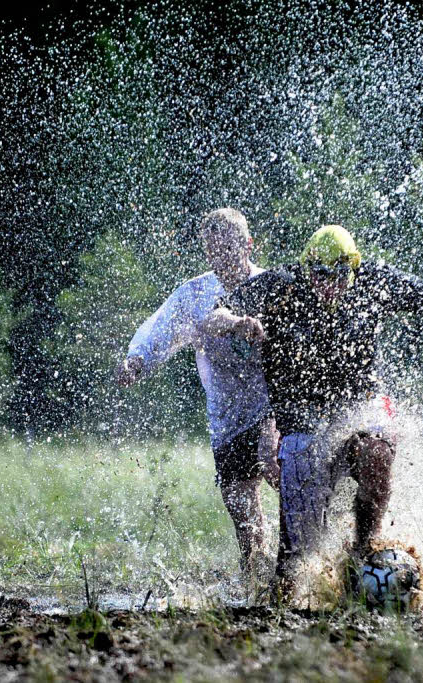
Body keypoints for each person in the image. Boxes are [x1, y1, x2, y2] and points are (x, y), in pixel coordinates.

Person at [203, 224, 423, 593]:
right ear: (306, 267)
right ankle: (291, 578)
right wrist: (238, 323)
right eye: (316, 275)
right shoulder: (280, 284)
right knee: (294, 562)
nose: (324, 284)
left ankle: (366, 547)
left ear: (352, 267)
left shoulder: (375, 281)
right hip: (302, 418)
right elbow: (212, 317)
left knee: (376, 451)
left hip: (360, 404)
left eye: (335, 275)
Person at [115, 208, 278, 578]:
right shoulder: (196, 294)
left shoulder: (270, 285)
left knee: (276, 465)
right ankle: (258, 576)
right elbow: (159, 329)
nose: (221, 259)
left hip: (271, 405)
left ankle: (305, 552)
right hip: (226, 417)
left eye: (229, 249)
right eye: (213, 251)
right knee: (244, 517)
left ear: (248, 245)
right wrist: (136, 361)